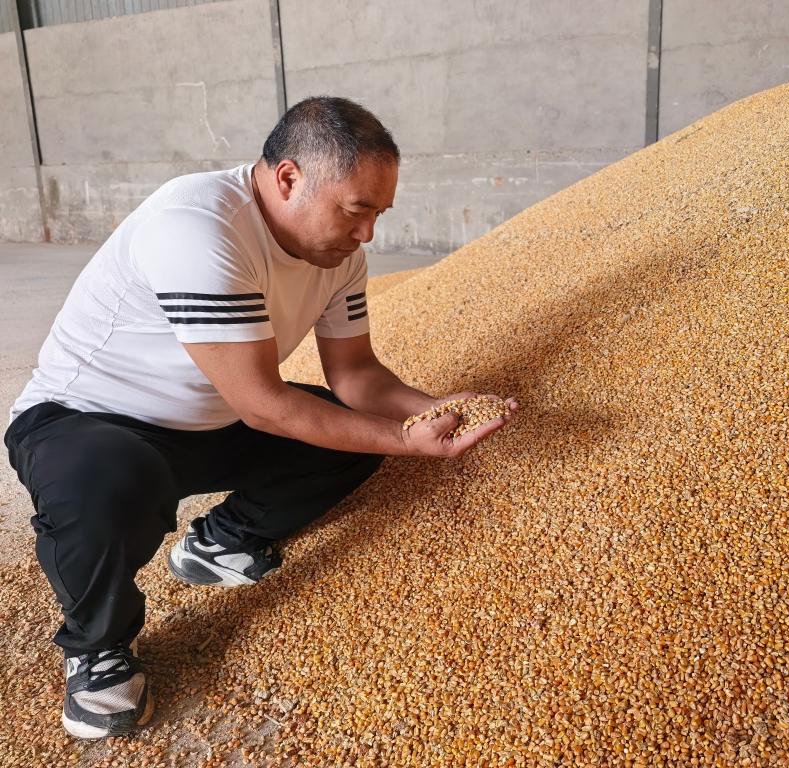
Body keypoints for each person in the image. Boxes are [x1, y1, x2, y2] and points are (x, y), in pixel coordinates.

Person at [3, 96, 516, 739]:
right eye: (356, 210)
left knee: (347, 435)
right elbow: (263, 404)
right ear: (289, 178)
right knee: (110, 479)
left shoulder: (340, 258)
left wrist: (434, 409)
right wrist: (407, 440)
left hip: (211, 418)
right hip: (87, 420)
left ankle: (220, 541)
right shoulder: (198, 224)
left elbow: (356, 376)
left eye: (378, 215)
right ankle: (96, 647)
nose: (367, 235)